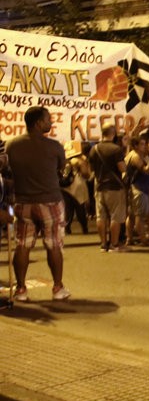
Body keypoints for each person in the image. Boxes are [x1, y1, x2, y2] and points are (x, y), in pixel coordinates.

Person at [5, 106, 71, 301]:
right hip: (50, 201)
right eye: (48, 119)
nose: (51, 122)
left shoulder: (12, 145)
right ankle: (57, 288)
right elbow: (62, 168)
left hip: (23, 201)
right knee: (53, 245)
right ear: (38, 123)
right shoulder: (54, 146)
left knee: (23, 245)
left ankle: (21, 289)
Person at [88, 123, 127, 252]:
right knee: (115, 216)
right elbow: (122, 168)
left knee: (101, 216)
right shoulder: (116, 149)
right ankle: (114, 244)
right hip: (114, 186)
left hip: (99, 186)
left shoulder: (94, 149)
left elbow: (91, 169)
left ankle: (103, 244)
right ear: (113, 133)